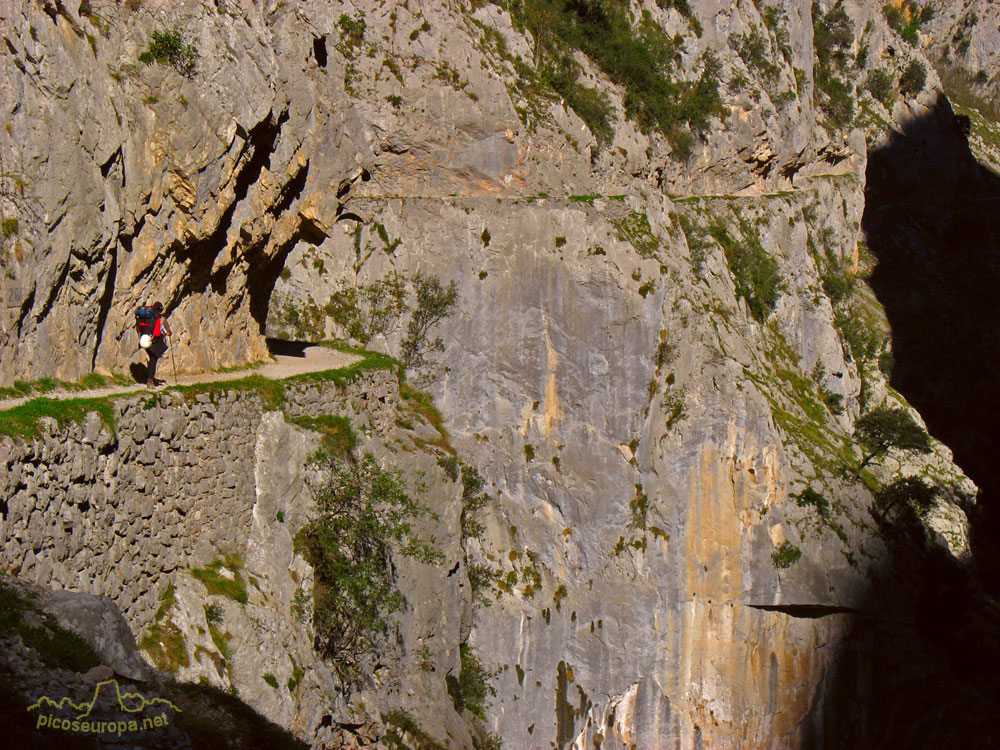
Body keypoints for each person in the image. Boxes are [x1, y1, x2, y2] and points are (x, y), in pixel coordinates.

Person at [145, 302, 172, 386]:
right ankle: (150, 380)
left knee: (150, 358)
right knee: (153, 360)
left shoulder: (147, 316)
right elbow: (168, 332)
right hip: (155, 342)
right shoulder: (161, 319)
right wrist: (168, 333)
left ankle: (149, 376)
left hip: (146, 340)